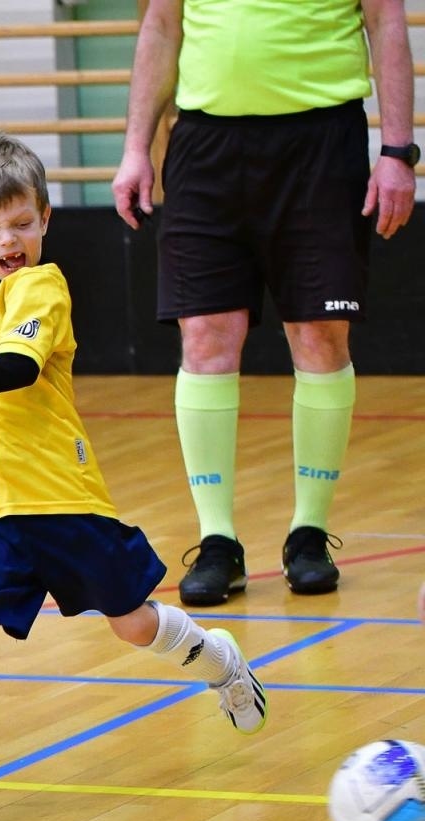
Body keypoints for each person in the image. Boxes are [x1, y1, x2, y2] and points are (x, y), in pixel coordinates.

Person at [0, 131, 265, 821]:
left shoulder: (43, 289)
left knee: (133, 624)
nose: (9, 239)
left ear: (46, 219)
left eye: (22, 222)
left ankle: (222, 662)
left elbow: (17, 370)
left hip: (62, 499)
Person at [111, 0, 416, 606]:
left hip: (322, 141)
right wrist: (135, 148)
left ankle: (308, 533)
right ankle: (217, 540)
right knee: (204, 337)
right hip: (205, 145)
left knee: (321, 334)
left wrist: (398, 151)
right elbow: (162, 25)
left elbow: (386, 21)